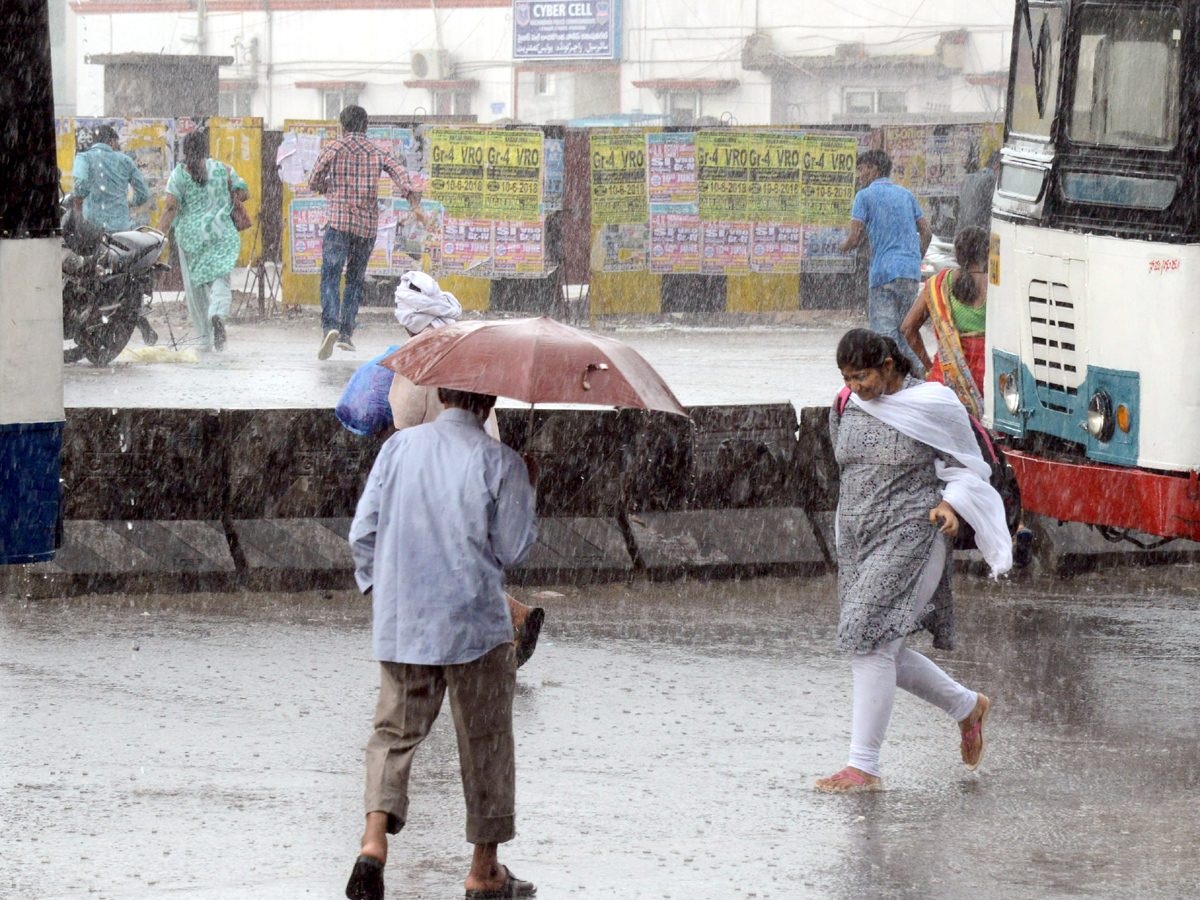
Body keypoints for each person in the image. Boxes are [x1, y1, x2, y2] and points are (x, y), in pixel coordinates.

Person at [346, 388, 538, 900]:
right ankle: (483, 870)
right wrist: (527, 487)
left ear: (438, 392)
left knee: (393, 731)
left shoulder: (398, 448)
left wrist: (383, 590)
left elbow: (363, 534)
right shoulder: (502, 462)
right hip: (472, 623)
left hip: (403, 618)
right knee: (485, 741)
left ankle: (371, 845)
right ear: (490, 400)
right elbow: (510, 549)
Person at [815, 328, 1011, 793]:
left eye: (861, 376)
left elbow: (970, 465)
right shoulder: (846, 404)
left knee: (867, 638)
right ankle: (968, 707)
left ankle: (863, 766)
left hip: (913, 532)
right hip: (859, 539)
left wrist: (952, 506)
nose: (855, 386)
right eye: (846, 377)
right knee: (883, 646)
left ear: (888, 364)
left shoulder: (934, 405)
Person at [387, 269, 546, 666]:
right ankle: (506, 622)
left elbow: (404, 427)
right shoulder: (466, 353)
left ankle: (502, 624)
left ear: (405, 321)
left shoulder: (419, 364)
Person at [310, 105, 426, 360]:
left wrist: (328, 187)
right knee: (354, 279)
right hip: (366, 226)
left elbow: (314, 179)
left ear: (343, 126)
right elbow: (400, 174)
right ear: (365, 126)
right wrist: (414, 204)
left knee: (330, 276)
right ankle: (346, 334)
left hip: (338, 223)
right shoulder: (376, 151)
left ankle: (330, 325)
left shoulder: (334, 147)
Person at [839, 149, 932, 375]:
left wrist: (841, 247)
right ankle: (922, 377)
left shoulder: (864, 196)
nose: (859, 175)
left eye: (861, 170)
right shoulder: (906, 195)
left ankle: (892, 387)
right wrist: (913, 258)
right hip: (909, 274)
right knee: (907, 331)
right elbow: (926, 232)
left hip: (883, 274)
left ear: (873, 169)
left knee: (884, 337)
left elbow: (854, 237)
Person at [159, 130, 249, 353]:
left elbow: (171, 207)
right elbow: (244, 192)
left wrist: (158, 236)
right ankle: (218, 312)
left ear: (184, 151)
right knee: (221, 278)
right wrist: (227, 195)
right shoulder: (223, 169)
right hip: (221, 232)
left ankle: (204, 338)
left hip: (191, 238)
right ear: (206, 149)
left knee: (196, 287)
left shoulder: (179, 175)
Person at [900, 225, 989, 419]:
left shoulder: (939, 284)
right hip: (990, 386)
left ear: (957, 254)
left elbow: (908, 328)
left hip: (947, 384)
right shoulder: (999, 285)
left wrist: (929, 366)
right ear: (987, 252)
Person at [72, 125, 150, 233]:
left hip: (93, 230)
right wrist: (128, 203)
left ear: (93, 141)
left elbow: (81, 186)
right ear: (111, 142)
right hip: (121, 229)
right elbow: (144, 194)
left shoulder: (83, 158)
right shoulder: (125, 161)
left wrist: (79, 212)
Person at [956, 150, 1000, 232]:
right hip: (979, 234)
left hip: (962, 233)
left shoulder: (968, 179)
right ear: (997, 167)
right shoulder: (992, 181)